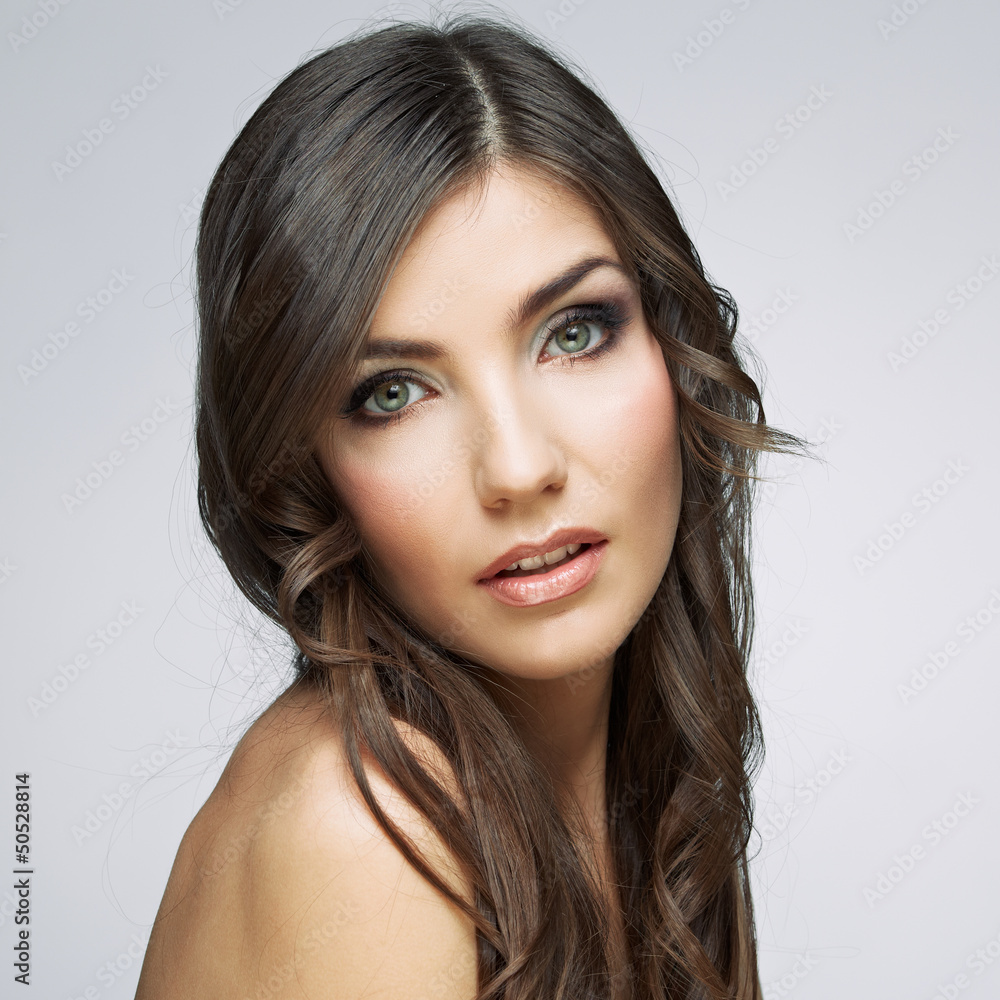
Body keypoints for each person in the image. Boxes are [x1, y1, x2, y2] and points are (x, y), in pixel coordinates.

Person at [135, 13, 801, 1000]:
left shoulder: (644, 797)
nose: (519, 468)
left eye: (574, 332)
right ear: (303, 471)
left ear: (671, 342)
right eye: (392, 392)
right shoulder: (368, 834)